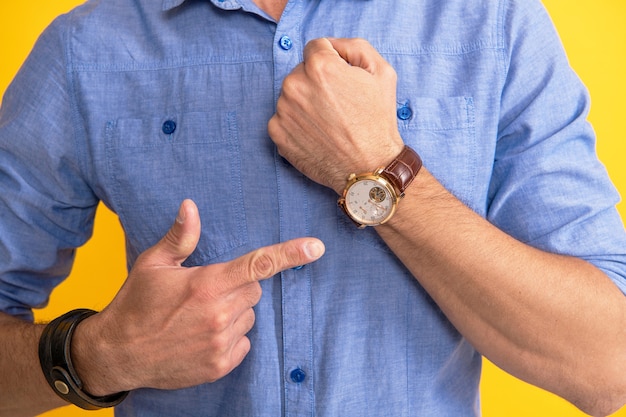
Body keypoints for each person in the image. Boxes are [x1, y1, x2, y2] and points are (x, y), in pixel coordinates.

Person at [1, 0, 625, 416]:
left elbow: (610, 363)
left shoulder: (494, 24)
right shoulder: (85, 50)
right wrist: (98, 353)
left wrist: (382, 171)